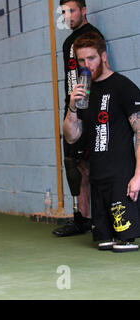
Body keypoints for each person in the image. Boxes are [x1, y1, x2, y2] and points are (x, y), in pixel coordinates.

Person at [63, 32, 140, 252]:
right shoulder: (82, 93)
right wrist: (72, 107)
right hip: (97, 178)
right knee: (104, 242)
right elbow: (71, 136)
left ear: (103, 56)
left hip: (121, 178)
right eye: (81, 61)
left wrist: (138, 176)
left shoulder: (123, 87)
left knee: (124, 241)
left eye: (91, 58)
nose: (86, 65)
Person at [53, 0, 104, 237]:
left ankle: (99, 219)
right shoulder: (66, 43)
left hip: (92, 109)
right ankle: (81, 218)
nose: (68, 15)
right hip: (73, 108)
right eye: (64, 11)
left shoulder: (93, 36)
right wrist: (70, 108)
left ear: (83, 10)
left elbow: (100, 73)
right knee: (74, 165)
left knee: (93, 166)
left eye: (72, 10)